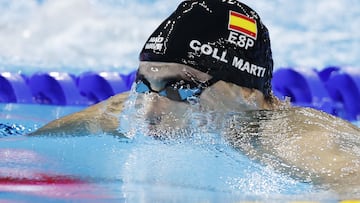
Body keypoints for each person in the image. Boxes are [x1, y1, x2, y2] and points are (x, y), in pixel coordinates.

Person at [29, 0, 360, 197]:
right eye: (144, 84)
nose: (150, 110)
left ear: (246, 92)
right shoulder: (128, 111)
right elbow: (22, 148)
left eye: (181, 87)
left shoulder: (288, 137)